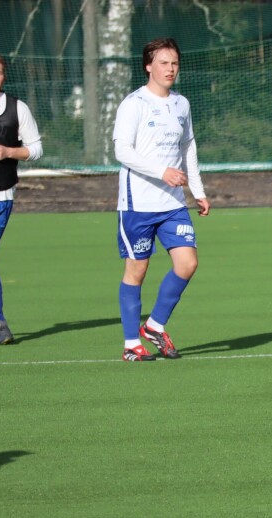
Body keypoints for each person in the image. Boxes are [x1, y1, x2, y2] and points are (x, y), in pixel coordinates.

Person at [113, 38, 210, 362]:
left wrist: (197, 190)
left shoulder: (181, 104)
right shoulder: (134, 103)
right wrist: (161, 172)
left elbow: (188, 147)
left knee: (188, 263)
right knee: (137, 271)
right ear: (148, 66)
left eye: (174, 63)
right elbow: (122, 150)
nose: (170, 69)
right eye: (164, 63)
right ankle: (130, 344)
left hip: (172, 204)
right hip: (137, 204)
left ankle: (154, 325)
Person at [0, 52, 43, 345]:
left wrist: (9, 152)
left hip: (3, 198)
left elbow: (36, 149)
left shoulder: (18, 108)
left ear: (4, 76)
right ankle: (0, 323)